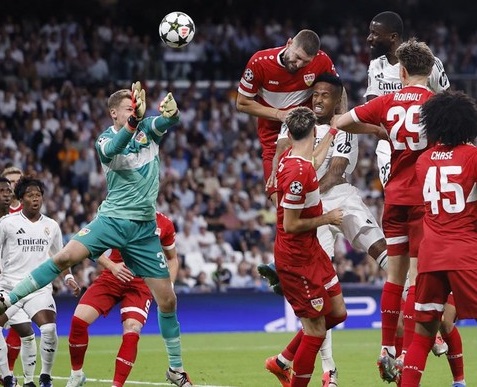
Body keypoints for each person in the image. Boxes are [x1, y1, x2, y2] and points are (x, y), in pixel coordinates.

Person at [0, 82, 194, 387]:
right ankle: (7, 299)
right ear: (114, 113)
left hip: (144, 228)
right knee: (66, 256)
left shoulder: (147, 131)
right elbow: (115, 147)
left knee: (168, 301)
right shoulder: (104, 140)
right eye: (130, 108)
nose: (136, 111)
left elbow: (164, 122)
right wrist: (133, 122)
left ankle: (175, 370)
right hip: (112, 219)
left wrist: (172, 114)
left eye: (136, 107)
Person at [263, 73, 388, 387]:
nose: (318, 99)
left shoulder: (339, 126)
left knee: (339, 307)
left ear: (337, 99)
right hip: (307, 213)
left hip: (333, 196)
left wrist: (341, 129)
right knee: (318, 313)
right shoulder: (296, 127)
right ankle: (329, 371)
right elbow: (284, 156)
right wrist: (298, 193)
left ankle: (282, 361)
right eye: (314, 94)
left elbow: (334, 170)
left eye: (325, 95)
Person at [336, 38, 437, 383]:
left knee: (393, 276)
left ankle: (385, 349)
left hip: (393, 198)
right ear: (430, 70)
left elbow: (342, 121)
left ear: (403, 71)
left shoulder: (387, 101)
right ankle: (407, 351)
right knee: (416, 279)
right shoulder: (438, 105)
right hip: (424, 200)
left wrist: (380, 130)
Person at [400, 90, 477, 387]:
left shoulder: (423, 161)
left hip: (431, 255)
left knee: (423, 335)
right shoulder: (472, 157)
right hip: (464, 252)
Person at [271, 106, 346, 387]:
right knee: (315, 333)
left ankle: (281, 361)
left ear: (289, 134)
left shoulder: (295, 158)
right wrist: (328, 217)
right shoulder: (295, 173)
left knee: (337, 313)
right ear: (313, 131)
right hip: (296, 259)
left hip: (312, 252)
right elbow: (290, 225)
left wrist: (333, 134)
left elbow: (312, 161)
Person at [66, 211, 179, 387]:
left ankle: (116, 385)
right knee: (78, 321)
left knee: (132, 330)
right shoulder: (117, 213)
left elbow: (172, 259)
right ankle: (76, 374)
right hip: (112, 276)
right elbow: (88, 245)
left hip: (142, 283)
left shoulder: (164, 223)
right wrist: (112, 266)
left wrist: (167, 288)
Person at [236, 29, 345, 202]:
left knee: (312, 199)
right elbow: (241, 103)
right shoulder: (260, 62)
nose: (299, 64)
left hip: (307, 137)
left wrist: (342, 120)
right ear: (288, 44)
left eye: (305, 61)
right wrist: (279, 114)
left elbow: (339, 90)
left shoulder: (321, 60)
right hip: (272, 138)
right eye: (297, 57)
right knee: (279, 200)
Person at [0, 177, 81, 387]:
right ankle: (7, 377)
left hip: (38, 289)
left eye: (38, 195)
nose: (35, 199)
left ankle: (44, 377)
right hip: (9, 287)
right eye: (30, 195)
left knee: (48, 329)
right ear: (21, 198)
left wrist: (69, 277)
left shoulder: (51, 226)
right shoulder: (7, 224)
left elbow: (61, 257)